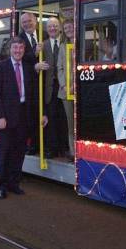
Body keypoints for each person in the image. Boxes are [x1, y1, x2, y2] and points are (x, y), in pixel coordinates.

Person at [0, 37, 36, 199]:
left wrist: (40, 114)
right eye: (15, 48)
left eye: (21, 48)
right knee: (5, 152)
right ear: (10, 49)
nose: (18, 51)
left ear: (24, 50)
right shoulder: (1, 67)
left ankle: (14, 183)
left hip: (24, 116)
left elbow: (33, 94)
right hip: (6, 117)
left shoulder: (28, 67)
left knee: (19, 152)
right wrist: (0, 116)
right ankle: (1, 186)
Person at [35, 17, 68, 159]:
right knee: (51, 119)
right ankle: (52, 148)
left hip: (65, 86)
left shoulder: (67, 42)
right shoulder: (43, 45)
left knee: (65, 118)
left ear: (60, 27)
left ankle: (65, 148)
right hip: (49, 88)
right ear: (46, 29)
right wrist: (36, 65)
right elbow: (33, 63)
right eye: (50, 26)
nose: (53, 29)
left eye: (55, 26)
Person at [18, 12, 43, 155]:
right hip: (28, 85)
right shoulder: (19, 39)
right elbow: (19, 59)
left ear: (36, 21)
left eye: (29, 21)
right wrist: (34, 54)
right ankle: (32, 146)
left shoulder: (44, 35)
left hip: (44, 82)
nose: (27, 24)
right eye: (24, 22)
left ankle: (45, 145)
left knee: (45, 115)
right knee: (31, 116)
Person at [57, 18, 75, 162]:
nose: (68, 30)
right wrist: (64, 85)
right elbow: (60, 68)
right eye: (66, 28)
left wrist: (75, 84)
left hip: (79, 88)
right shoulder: (62, 46)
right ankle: (73, 151)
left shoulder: (82, 43)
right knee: (70, 123)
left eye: (71, 27)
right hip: (65, 91)